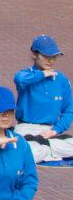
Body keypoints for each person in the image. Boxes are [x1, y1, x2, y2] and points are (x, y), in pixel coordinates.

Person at [13, 35, 73, 163]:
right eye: (46, 56)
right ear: (34, 54)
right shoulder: (27, 75)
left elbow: (69, 111)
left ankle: (46, 149)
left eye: (54, 56)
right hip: (26, 128)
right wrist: (42, 74)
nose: (50, 60)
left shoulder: (62, 80)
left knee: (32, 152)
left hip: (49, 132)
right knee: (27, 152)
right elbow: (19, 79)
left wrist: (55, 130)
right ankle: (50, 151)